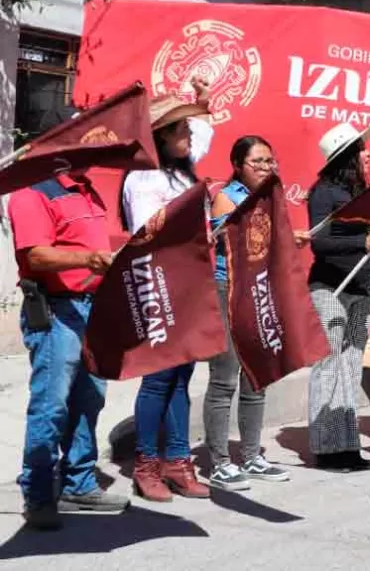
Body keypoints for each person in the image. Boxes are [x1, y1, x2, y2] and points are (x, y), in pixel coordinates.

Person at [7, 165, 130, 530]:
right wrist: (88, 259)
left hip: (91, 307)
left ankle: (79, 484)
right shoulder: (33, 192)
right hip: (57, 311)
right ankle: (39, 495)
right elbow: (35, 256)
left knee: (90, 397)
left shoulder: (85, 189)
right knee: (51, 406)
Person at [119, 80, 214, 502]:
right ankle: (146, 465)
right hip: (158, 286)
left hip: (189, 286)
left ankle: (178, 461)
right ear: (160, 136)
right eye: (181, 131)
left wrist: (201, 101)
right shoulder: (142, 178)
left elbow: (206, 130)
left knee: (181, 377)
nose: (189, 136)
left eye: (188, 131)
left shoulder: (181, 171)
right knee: (158, 379)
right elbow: (147, 234)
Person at [203, 136, 303, 490]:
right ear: (238, 165)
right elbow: (230, 240)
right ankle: (218, 462)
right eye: (257, 161)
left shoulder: (271, 200)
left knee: (256, 376)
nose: (265, 167)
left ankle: (251, 456)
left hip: (259, 290)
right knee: (225, 377)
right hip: (227, 289)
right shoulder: (225, 198)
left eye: (269, 161)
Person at [307, 122, 370, 472]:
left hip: (360, 293)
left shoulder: (361, 195)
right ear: (347, 157)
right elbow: (319, 242)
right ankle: (325, 448)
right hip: (330, 289)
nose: (368, 154)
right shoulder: (323, 192)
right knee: (329, 366)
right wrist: (361, 241)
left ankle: (347, 444)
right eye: (361, 149)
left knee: (352, 368)